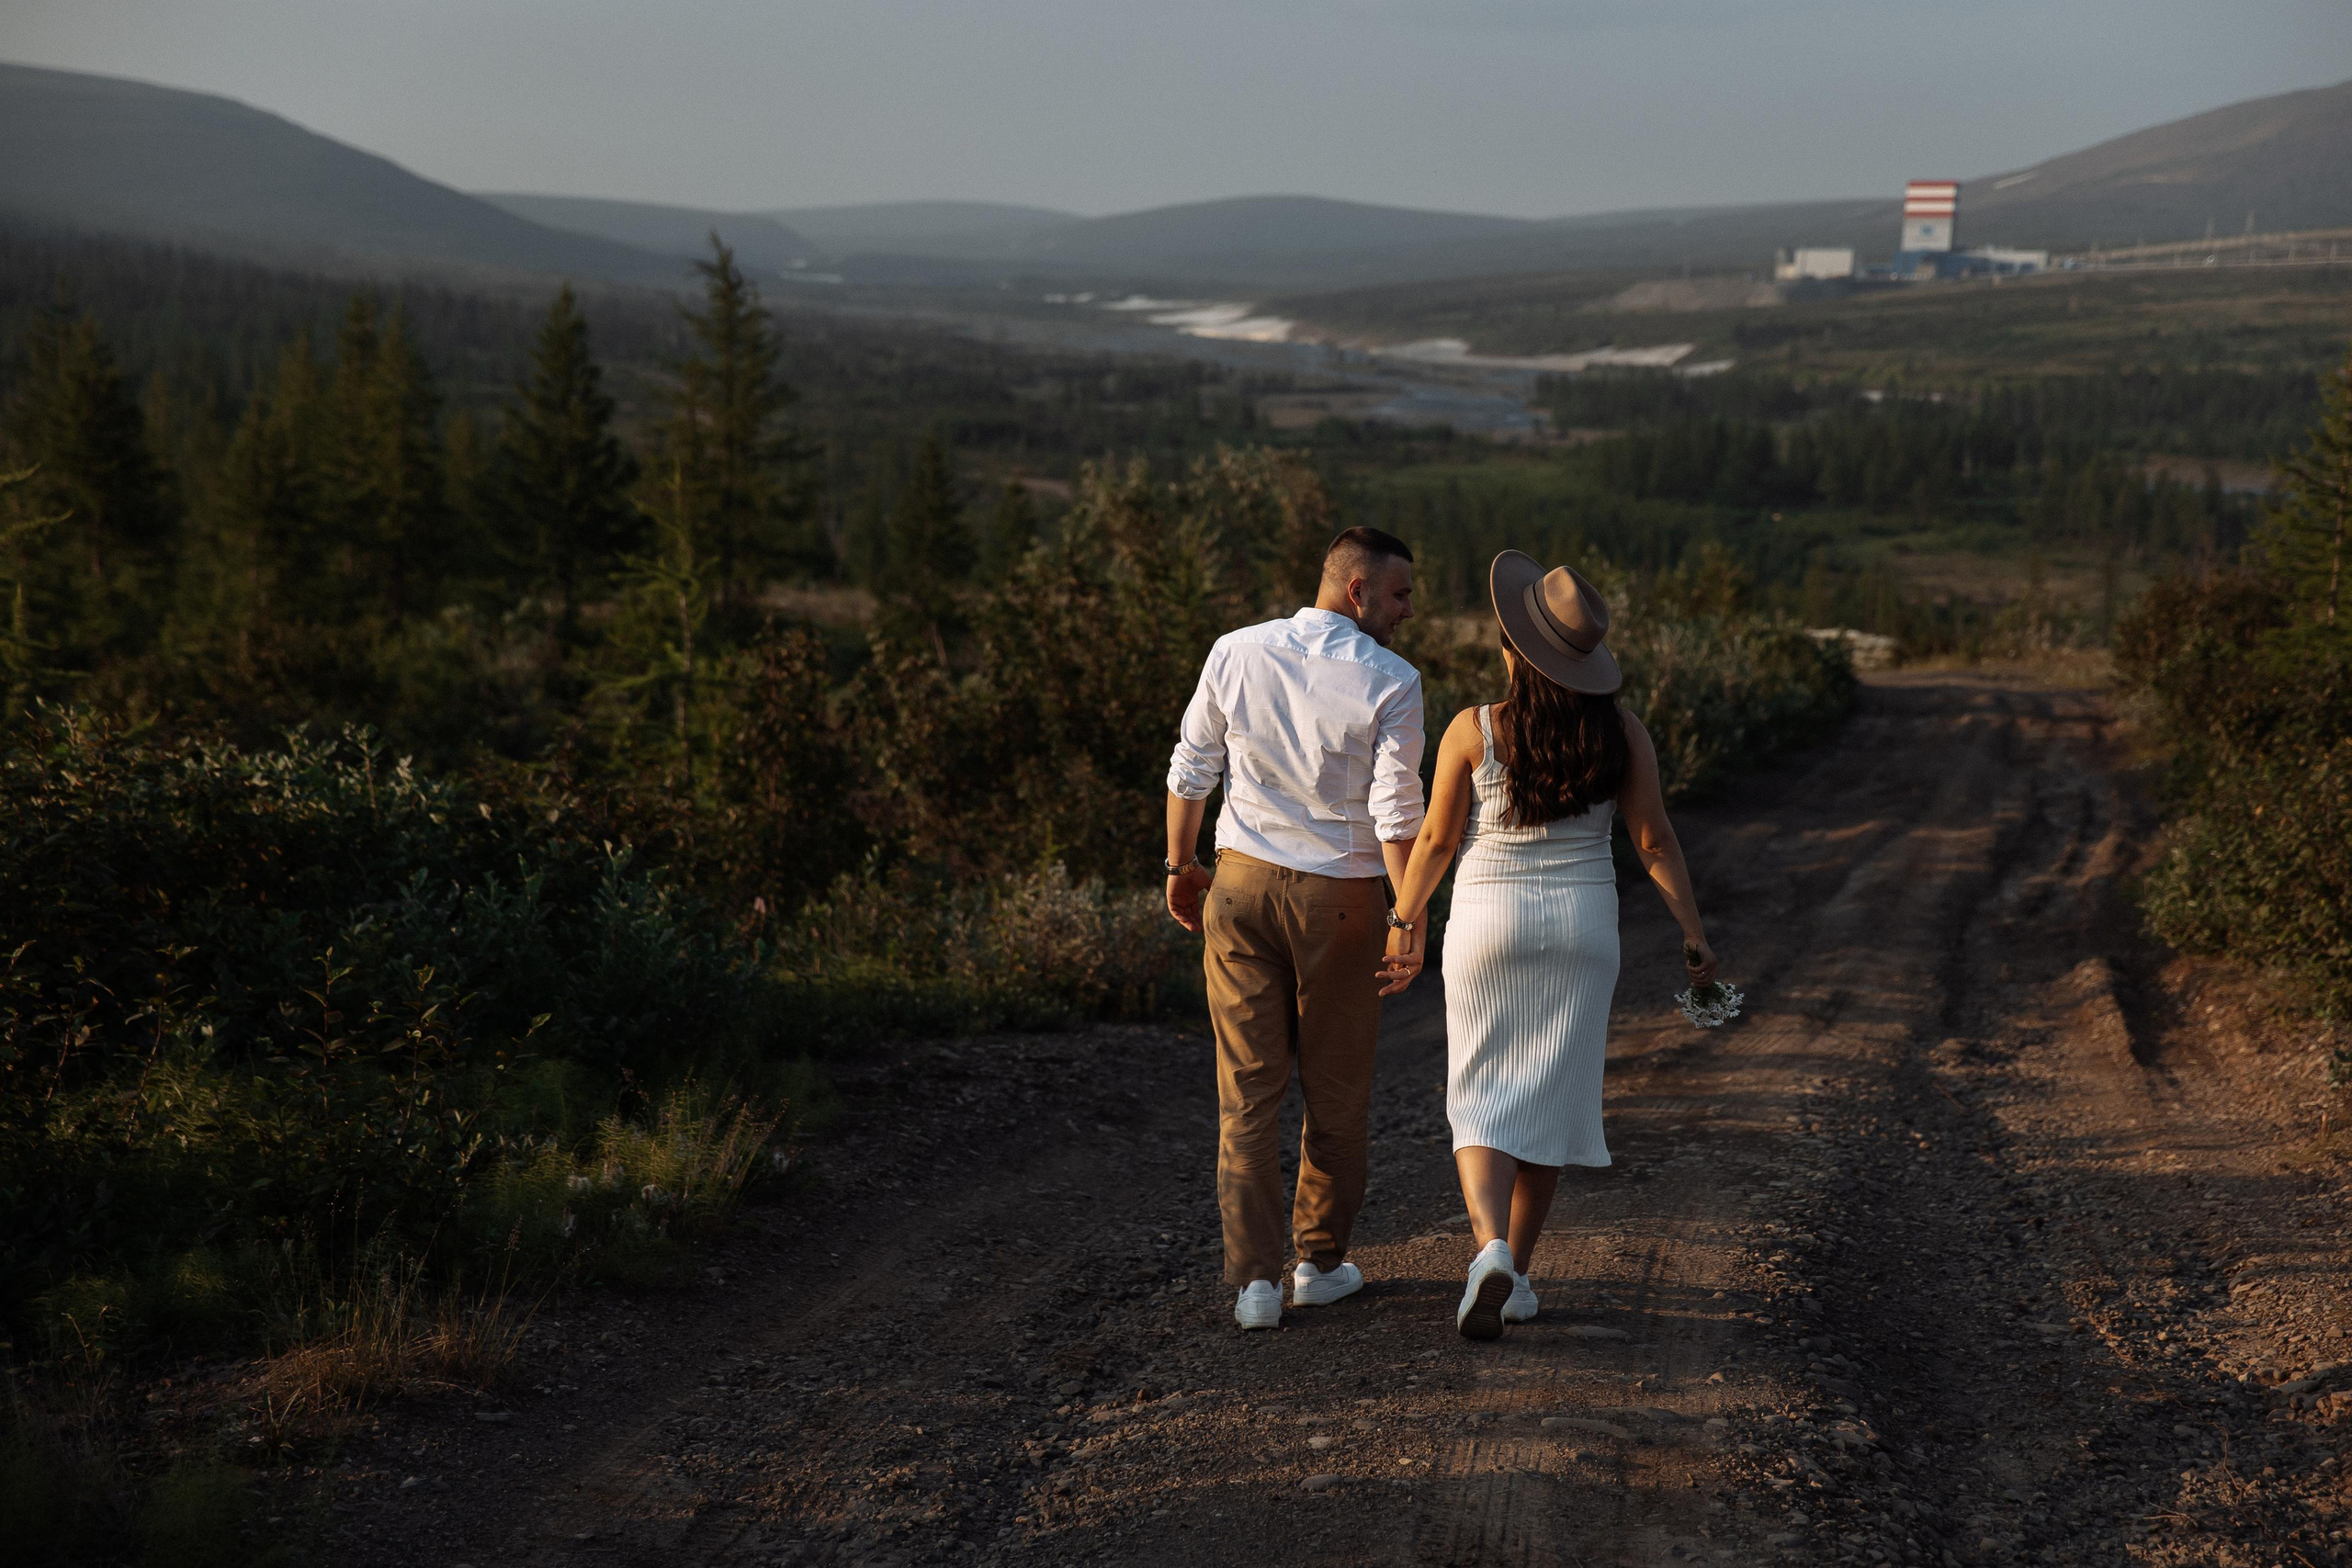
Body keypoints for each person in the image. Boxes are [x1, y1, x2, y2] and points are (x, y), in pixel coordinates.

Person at [1377, 550, 1717, 1341]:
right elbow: (1654, 841)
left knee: (1480, 1092)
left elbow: (1436, 840)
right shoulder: (1623, 733)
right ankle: (1518, 1276)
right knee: (1551, 1096)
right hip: (1581, 929)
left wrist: (1403, 920)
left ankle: (1489, 1249)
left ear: (1514, 653)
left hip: (1487, 923)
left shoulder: (1474, 728)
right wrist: (1694, 936)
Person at [1164, 526, 1425, 1332]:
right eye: (1399, 594)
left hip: (1238, 886)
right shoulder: (1393, 680)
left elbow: (1192, 766)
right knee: (1336, 1091)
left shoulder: (1236, 649)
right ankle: (1318, 1264)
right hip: (1339, 899)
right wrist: (1408, 916)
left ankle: (1254, 1285)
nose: (1407, 611)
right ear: (1357, 590)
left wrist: (1179, 865)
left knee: (1246, 1095)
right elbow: (1395, 815)